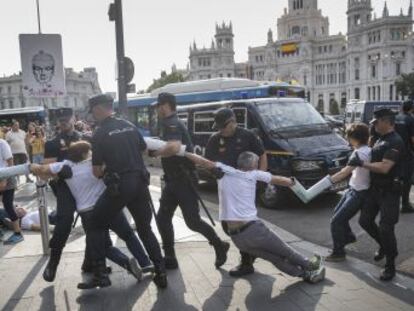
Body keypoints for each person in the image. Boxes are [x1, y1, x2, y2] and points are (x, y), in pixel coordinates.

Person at [185, 151, 325, 284]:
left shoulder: (225, 171)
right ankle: (310, 266)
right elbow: (280, 180)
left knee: (274, 258)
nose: (258, 166)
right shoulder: (253, 174)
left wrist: (182, 151)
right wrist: (293, 182)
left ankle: (304, 275)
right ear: (252, 165)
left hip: (237, 238)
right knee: (286, 251)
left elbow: (203, 161)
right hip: (253, 230)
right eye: (257, 163)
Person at [29, 141, 154, 281]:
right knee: (128, 234)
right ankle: (145, 263)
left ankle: (126, 262)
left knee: (104, 246)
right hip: (108, 206)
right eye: (90, 151)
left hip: (88, 213)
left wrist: (30, 165)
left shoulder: (64, 166)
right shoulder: (96, 165)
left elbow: (40, 169)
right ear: (84, 153)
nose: (93, 153)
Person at [81, 94, 166, 289]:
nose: (93, 117)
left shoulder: (100, 133)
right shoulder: (130, 126)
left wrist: (108, 169)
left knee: (94, 222)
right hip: (140, 184)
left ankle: (101, 274)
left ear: (98, 110)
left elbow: (96, 172)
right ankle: (160, 272)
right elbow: (144, 149)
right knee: (145, 229)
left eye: (93, 113)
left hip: (120, 187)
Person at [150, 93, 230, 271]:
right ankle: (170, 257)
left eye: (158, 106)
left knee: (192, 222)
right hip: (173, 180)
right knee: (163, 218)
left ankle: (219, 244)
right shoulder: (167, 122)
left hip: (184, 179)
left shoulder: (172, 123)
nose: (157, 109)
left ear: (166, 106)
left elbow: (174, 147)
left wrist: (155, 153)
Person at [205, 107, 267, 277]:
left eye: (223, 126)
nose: (220, 130)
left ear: (232, 122)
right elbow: (208, 161)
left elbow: (262, 156)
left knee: (243, 226)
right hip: (227, 190)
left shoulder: (248, 136)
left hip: (245, 189)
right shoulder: (214, 140)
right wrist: (212, 171)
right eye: (218, 127)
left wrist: (260, 178)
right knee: (227, 226)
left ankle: (246, 262)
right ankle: (251, 251)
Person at [355, 108, 405, 281]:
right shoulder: (379, 138)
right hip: (374, 189)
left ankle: (390, 265)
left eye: (376, 122)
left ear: (385, 121)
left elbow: (385, 167)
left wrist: (361, 163)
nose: (374, 125)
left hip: (390, 191)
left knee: (386, 228)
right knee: (365, 221)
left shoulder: (395, 141)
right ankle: (384, 246)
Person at [42, 108, 84, 282]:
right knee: (64, 222)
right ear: (57, 122)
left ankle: (94, 262)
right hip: (65, 188)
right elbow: (45, 171)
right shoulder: (52, 143)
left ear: (74, 118)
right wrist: (58, 173)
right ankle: (53, 263)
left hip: (86, 186)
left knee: (95, 223)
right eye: (61, 120)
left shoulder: (85, 138)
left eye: (67, 119)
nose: (64, 122)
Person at [324, 123, 371, 262]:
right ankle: (348, 237)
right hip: (352, 189)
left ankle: (338, 252)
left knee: (336, 221)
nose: (347, 140)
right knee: (337, 216)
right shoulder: (368, 150)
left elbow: (344, 172)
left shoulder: (359, 153)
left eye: (348, 137)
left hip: (359, 193)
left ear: (354, 138)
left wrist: (326, 183)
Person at [0, 138, 22, 245]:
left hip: (6, 177)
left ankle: (18, 233)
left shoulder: (2, 143)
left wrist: (4, 179)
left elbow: (10, 161)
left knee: (8, 204)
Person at [394, 100, 414, 213]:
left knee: (398, 177)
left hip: (396, 151)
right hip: (407, 153)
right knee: (407, 179)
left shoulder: (396, 117)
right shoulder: (410, 119)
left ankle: (395, 202)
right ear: (411, 108)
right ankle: (405, 204)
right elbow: (412, 139)